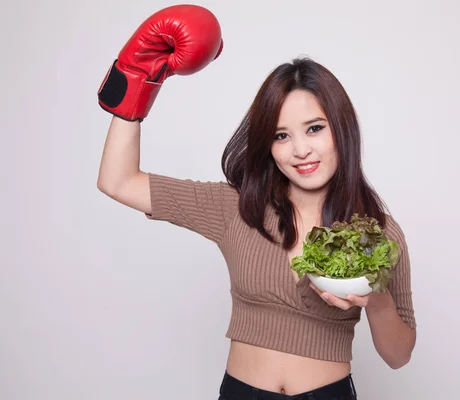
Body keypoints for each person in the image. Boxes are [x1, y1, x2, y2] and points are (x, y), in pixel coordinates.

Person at [96, 5, 416, 400]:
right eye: (281, 136)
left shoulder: (377, 231)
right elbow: (118, 180)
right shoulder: (235, 207)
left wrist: (376, 298)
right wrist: (136, 78)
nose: (301, 150)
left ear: (342, 129)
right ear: (267, 144)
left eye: (314, 129)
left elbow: (399, 356)